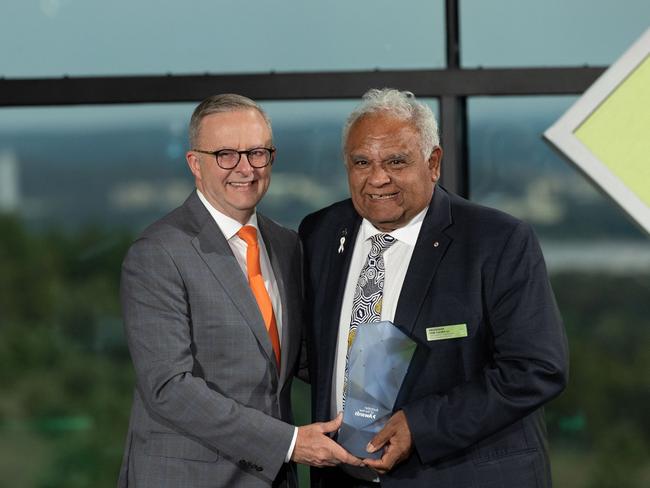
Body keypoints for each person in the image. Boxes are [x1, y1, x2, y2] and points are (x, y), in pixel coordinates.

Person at [299, 88, 569, 488]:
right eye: (362, 162)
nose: (377, 178)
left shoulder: (497, 240)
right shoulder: (319, 233)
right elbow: (313, 354)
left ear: (434, 163)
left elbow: (537, 368)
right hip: (341, 476)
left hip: (461, 474)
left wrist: (421, 426)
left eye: (396, 161)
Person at [118, 94, 361, 488]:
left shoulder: (285, 244)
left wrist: (388, 375)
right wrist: (291, 442)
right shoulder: (158, 253)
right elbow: (169, 388)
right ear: (195, 164)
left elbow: (298, 357)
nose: (245, 169)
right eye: (226, 155)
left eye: (256, 153)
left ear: (272, 158)